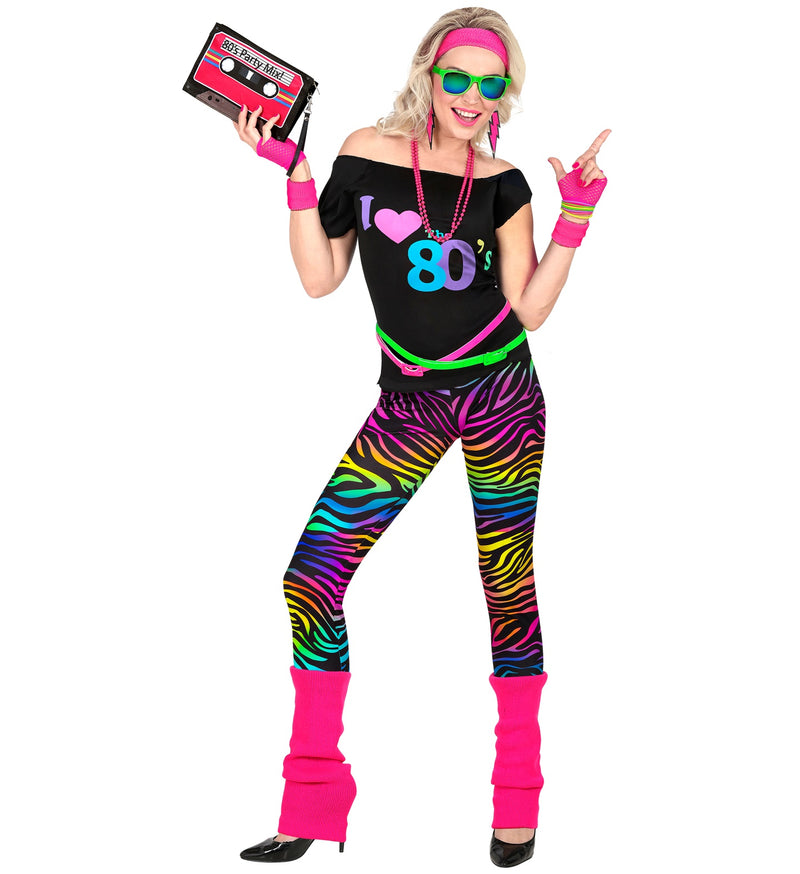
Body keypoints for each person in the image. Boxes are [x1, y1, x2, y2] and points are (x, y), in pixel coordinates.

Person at [232, 6, 608, 868]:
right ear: (427, 76)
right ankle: (311, 801)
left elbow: (531, 310)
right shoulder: (365, 152)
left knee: (506, 585)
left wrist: (575, 217)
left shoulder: (505, 181)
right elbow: (321, 278)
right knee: (310, 578)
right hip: (409, 405)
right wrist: (295, 170)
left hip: (502, 396)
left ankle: (517, 800)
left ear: (504, 91)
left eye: (490, 82)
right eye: (458, 77)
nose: (473, 96)